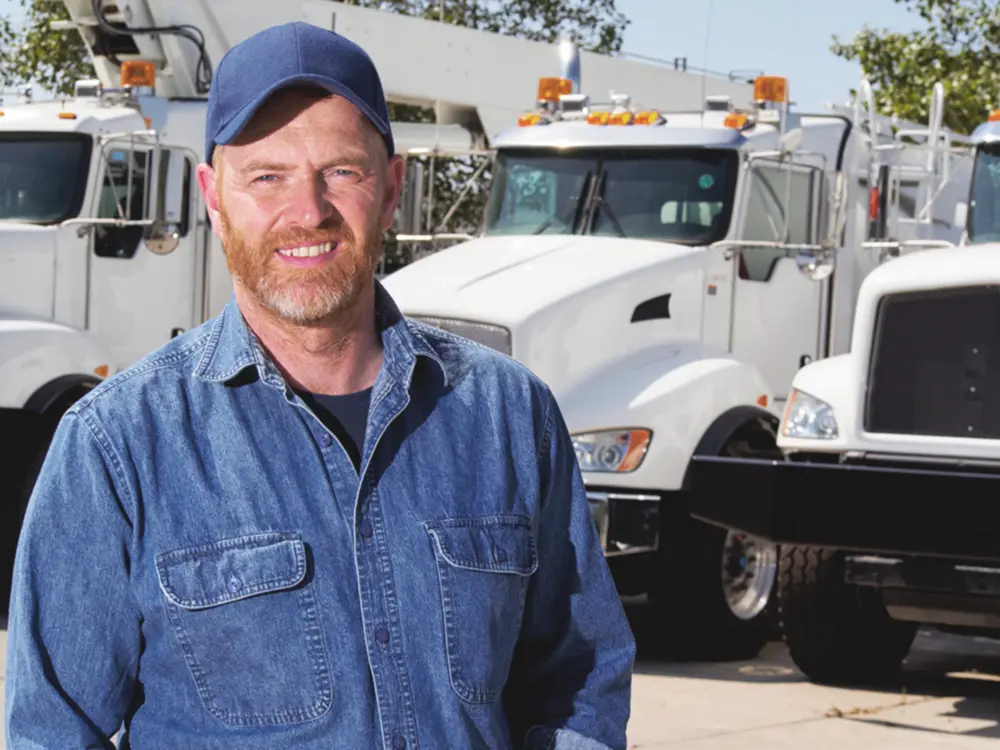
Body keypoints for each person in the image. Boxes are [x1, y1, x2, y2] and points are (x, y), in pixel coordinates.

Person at [4, 21, 635, 750]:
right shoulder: (116, 448)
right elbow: (52, 733)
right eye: (266, 176)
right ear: (214, 196)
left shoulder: (507, 415)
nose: (308, 211)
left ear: (391, 189)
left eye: (342, 171)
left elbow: (581, 674)